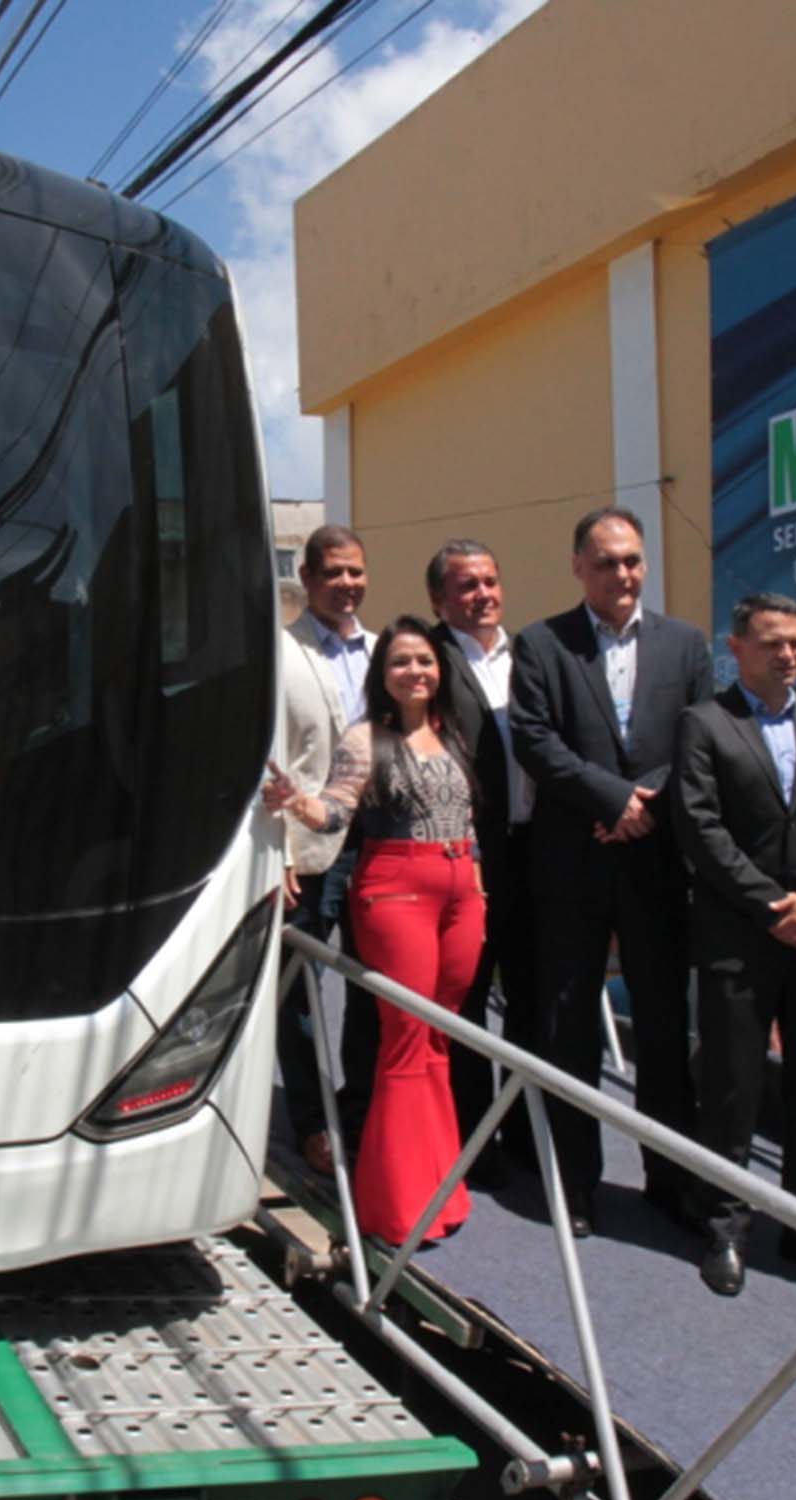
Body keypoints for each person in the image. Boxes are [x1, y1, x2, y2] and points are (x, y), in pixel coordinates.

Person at [510, 506, 713, 1237]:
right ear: (577, 567)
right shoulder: (541, 645)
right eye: (605, 563)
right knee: (570, 1030)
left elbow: (699, 736)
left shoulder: (686, 645)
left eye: (631, 560)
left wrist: (644, 804)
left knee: (662, 1027)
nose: (621, 574)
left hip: (656, 863)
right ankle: (577, 1184)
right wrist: (611, 797)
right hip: (572, 865)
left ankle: (671, 1179)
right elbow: (532, 738)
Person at [262, 617, 484, 1246]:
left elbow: (469, 816)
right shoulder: (366, 738)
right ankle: (394, 1203)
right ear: (382, 677)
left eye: (424, 661)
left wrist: (478, 884)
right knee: (406, 1040)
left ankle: (441, 1183)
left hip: (462, 893)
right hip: (398, 893)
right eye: (400, 663)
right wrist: (295, 801)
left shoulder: (453, 735)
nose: (415, 672)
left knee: (439, 1038)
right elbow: (335, 808)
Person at [671, 592, 796, 1295]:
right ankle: (724, 1227)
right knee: (731, 1089)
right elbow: (699, 827)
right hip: (737, 936)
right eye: (774, 642)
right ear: (737, 647)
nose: (789, 655)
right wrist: (769, 903)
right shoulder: (705, 723)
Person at [423, 539, 534, 1181]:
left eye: (490, 582)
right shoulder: (429, 660)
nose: (483, 595)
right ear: (440, 598)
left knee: (530, 996)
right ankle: (471, 1139)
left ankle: (522, 1131)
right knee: (464, 999)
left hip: (534, 853)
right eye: (466, 586)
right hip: (466, 855)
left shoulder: (532, 655)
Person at [276, 527, 375, 1172]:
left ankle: (359, 1108)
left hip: (376, 847)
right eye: (334, 573)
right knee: (300, 994)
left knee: (371, 987)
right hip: (308, 849)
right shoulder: (282, 653)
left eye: (356, 572)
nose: (347, 584)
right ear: (308, 579)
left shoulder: (389, 651)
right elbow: (271, 754)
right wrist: (279, 850)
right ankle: (312, 1121)